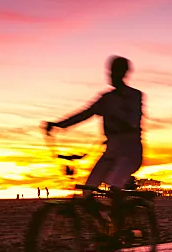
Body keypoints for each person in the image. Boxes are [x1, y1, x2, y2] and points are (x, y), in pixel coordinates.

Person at [44, 55, 143, 239]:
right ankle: (104, 225)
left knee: (114, 187)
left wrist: (116, 120)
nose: (110, 75)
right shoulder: (106, 99)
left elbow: (133, 122)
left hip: (130, 153)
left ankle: (119, 228)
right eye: (110, 71)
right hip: (111, 152)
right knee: (86, 193)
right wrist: (58, 125)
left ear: (122, 73)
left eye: (114, 71)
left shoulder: (134, 96)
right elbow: (84, 113)